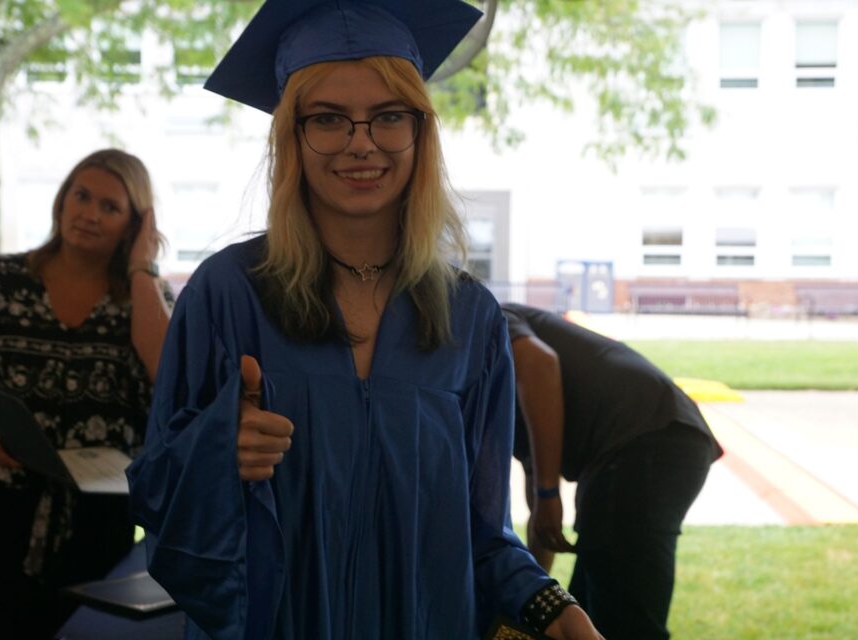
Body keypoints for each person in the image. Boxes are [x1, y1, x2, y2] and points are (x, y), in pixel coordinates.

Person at [126, 1, 602, 639]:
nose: (361, 143)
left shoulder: (471, 319)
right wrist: (218, 453)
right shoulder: (227, 295)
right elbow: (157, 496)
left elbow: (482, 536)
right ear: (292, 136)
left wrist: (553, 608)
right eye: (328, 119)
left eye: (388, 117)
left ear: (419, 132)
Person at [0, 148, 172, 639]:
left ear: (135, 224)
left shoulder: (144, 300)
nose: (89, 213)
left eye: (110, 207)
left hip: (97, 522)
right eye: (81, 195)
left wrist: (142, 270)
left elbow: (171, 378)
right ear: (62, 200)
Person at [501, 303, 723, 640]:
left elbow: (539, 363)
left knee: (624, 626)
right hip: (649, 446)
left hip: (644, 444)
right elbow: (540, 496)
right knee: (584, 621)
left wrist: (549, 494)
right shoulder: (512, 408)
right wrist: (529, 597)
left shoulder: (485, 314)